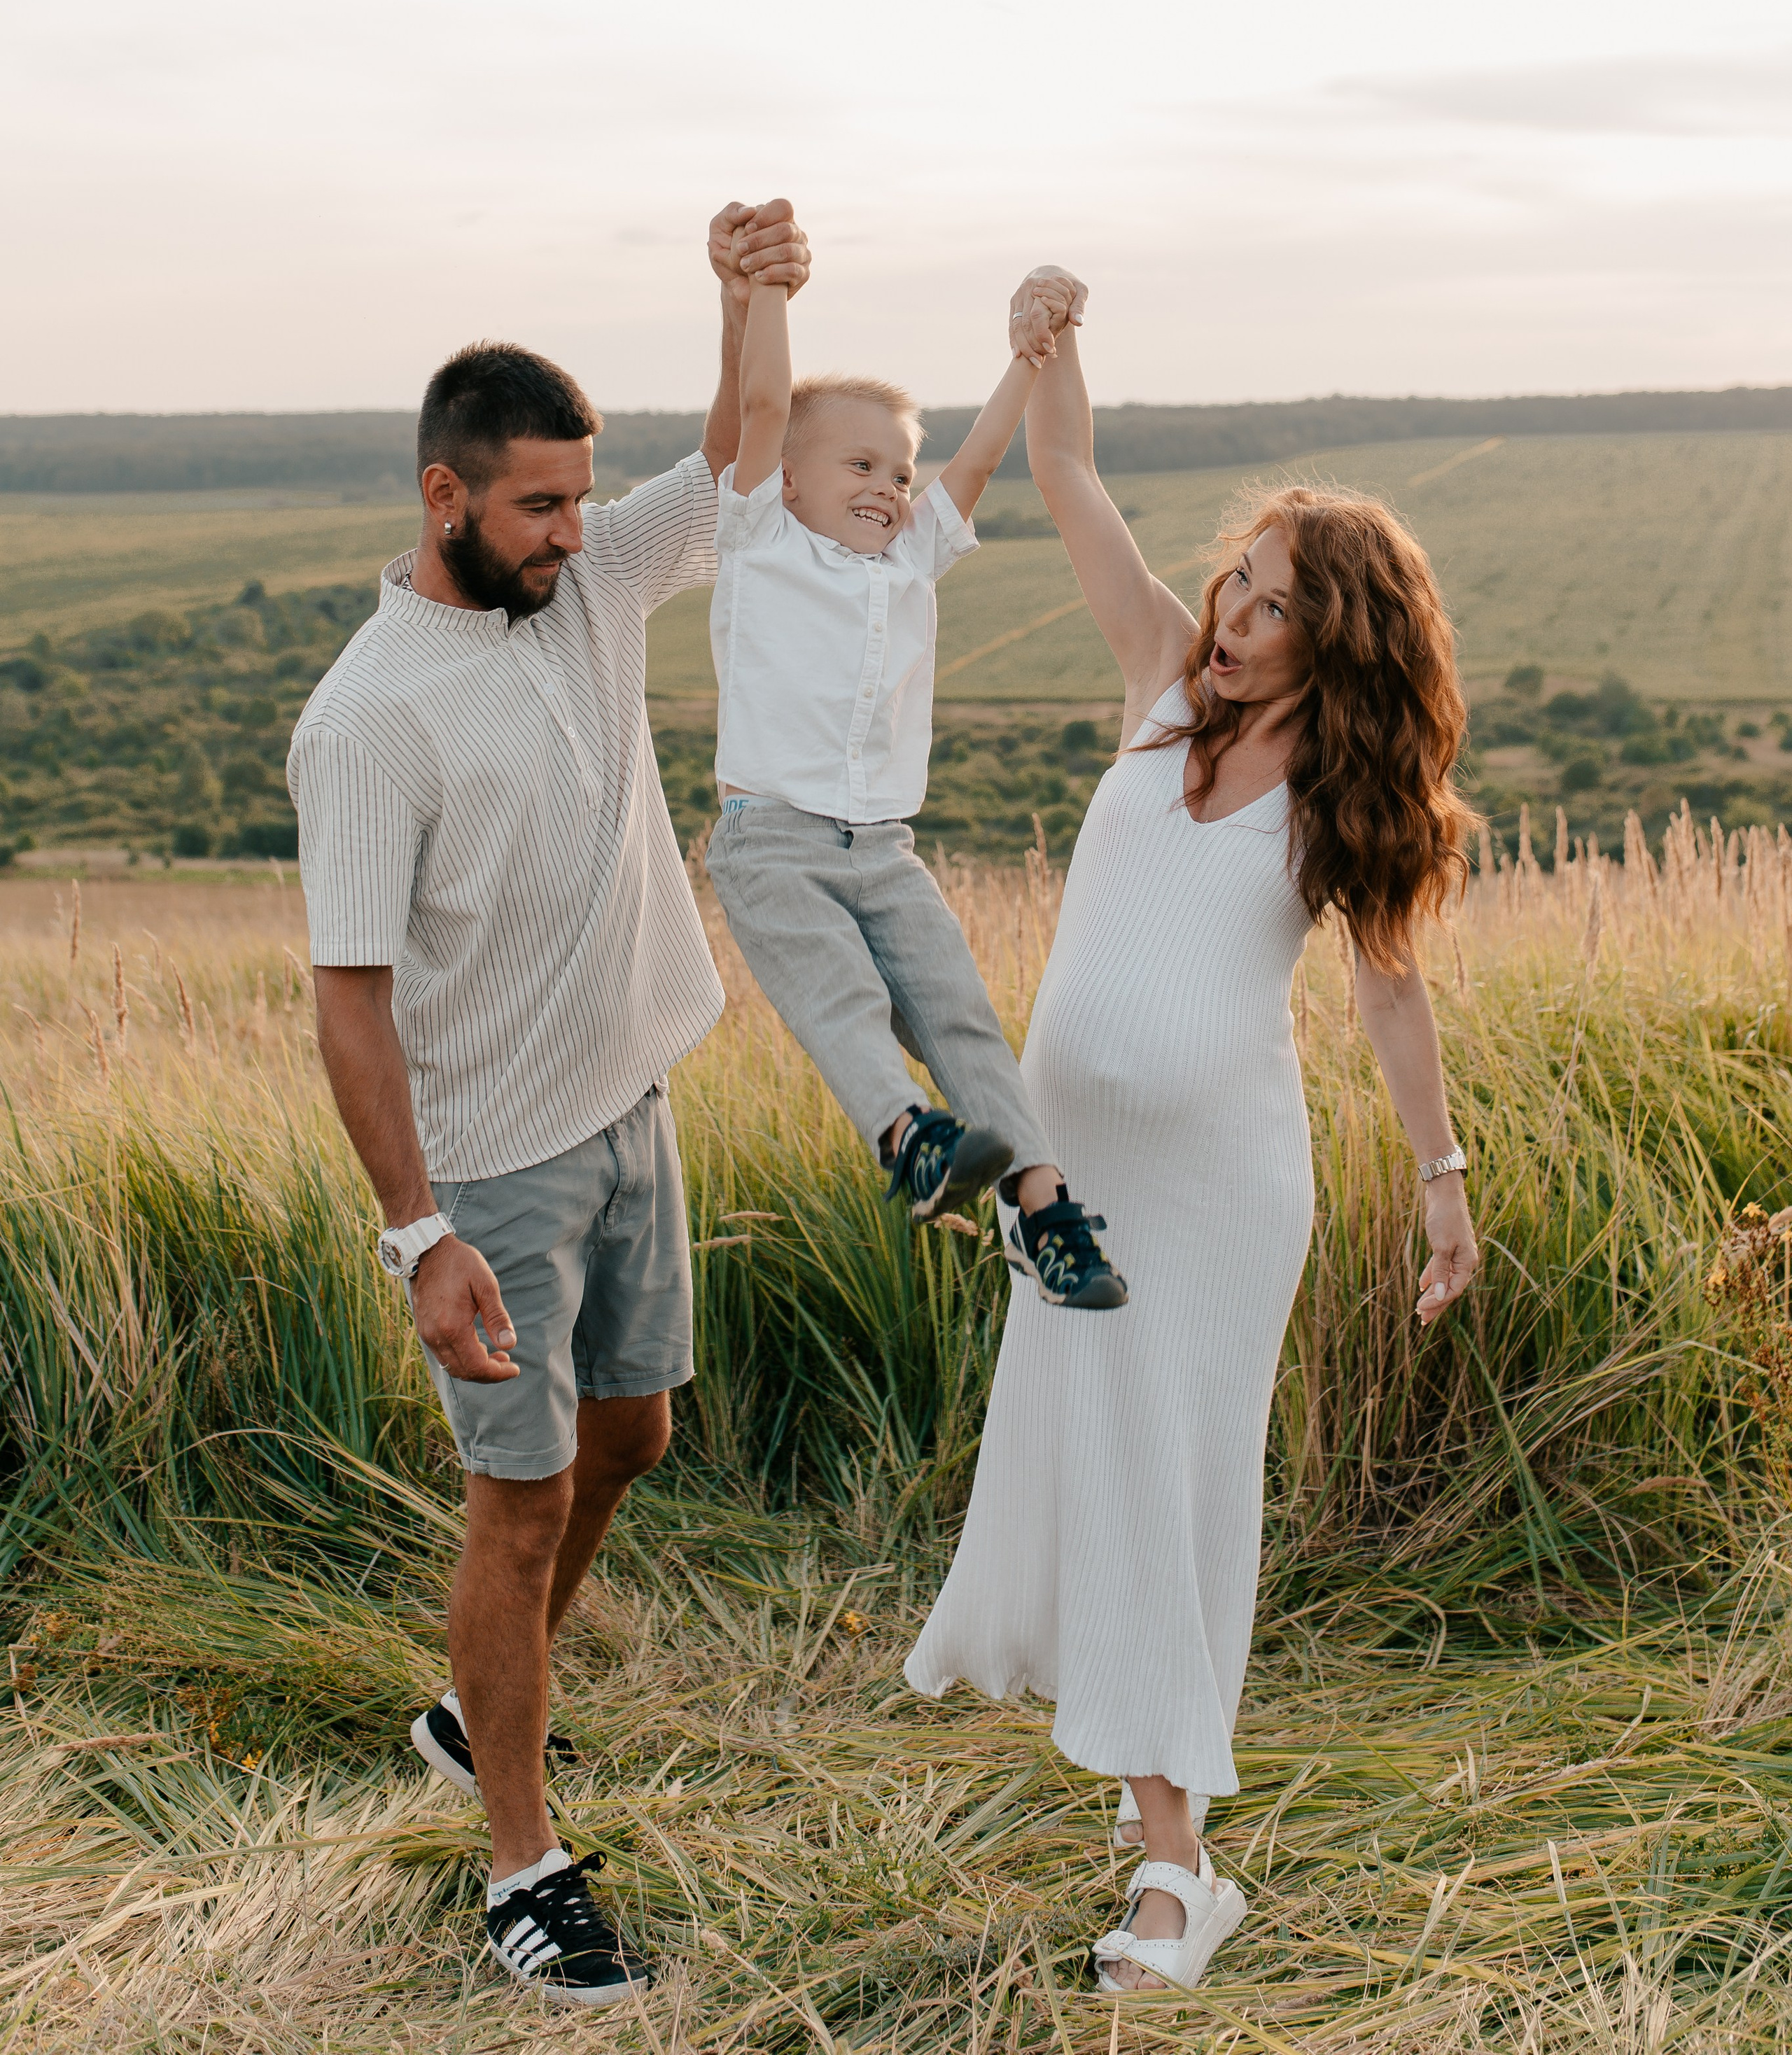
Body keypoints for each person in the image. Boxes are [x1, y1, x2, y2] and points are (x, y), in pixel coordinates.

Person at [905, 274, 1482, 1995]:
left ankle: (1177, 1870)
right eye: (1235, 578)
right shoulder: (1163, 684)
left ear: (1342, 636)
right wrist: (1042, 340)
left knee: (1168, 1494)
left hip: (1218, 1197)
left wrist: (1442, 1189)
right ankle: (1149, 1794)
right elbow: (1069, 477)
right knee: (1100, 1475)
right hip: (1068, 1180)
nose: (1230, 613)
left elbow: (1387, 1001)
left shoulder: (1342, 804)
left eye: (1274, 604)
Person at [287, 202, 808, 2012]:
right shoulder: (369, 721)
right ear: (446, 500)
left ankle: (471, 1695)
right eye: (540, 509)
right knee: (511, 1514)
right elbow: (349, 1002)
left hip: (628, 1110)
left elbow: (743, 453)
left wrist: (752, 298)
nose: (578, 536)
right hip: (493, 1169)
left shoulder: (585, 589)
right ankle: (519, 1867)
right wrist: (421, 1232)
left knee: (637, 1438)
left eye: (584, 502)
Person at [702, 253, 1126, 1307]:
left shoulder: (907, 565)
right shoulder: (757, 540)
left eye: (897, 474)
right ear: (786, 479)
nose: (888, 490)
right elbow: (762, 402)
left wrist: (1029, 355)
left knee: (963, 1017)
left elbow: (979, 463)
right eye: (860, 467)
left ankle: (1044, 1211)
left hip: (885, 851)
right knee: (840, 998)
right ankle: (909, 1136)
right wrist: (765, 293)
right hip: (775, 844)